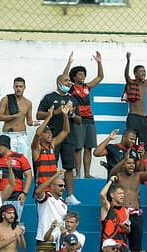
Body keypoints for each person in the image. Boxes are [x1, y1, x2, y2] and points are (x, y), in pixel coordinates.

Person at [36, 73, 81, 205]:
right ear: (58, 82)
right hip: (52, 138)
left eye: (69, 81)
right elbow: (38, 115)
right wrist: (54, 112)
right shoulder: (49, 98)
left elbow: (79, 119)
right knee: (51, 166)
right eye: (66, 81)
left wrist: (71, 113)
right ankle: (49, 193)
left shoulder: (73, 99)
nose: (69, 83)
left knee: (69, 166)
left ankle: (70, 195)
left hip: (68, 137)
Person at [63, 51, 103, 179]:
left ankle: (87, 174)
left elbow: (100, 77)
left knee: (88, 147)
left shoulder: (87, 86)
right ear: (74, 77)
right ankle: (78, 174)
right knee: (78, 148)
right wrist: (69, 63)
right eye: (80, 74)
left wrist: (99, 62)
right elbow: (64, 77)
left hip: (90, 119)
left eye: (83, 74)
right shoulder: (71, 88)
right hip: (78, 119)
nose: (82, 76)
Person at [0, 135, 33, 218]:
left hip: (16, 194)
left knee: (14, 221)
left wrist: (24, 193)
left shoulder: (20, 157)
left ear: (6, 145)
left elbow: (29, 175)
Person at [0, 77, 38, 163]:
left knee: (22, 161)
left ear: (24, 87)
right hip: (9, 134)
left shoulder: (28, 103)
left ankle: (21, 176)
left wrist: (34, 123)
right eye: (16, 86)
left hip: (22, 135)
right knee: (8, 160)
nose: (18, 88)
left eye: (20, 86)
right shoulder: (6, 99)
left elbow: (29, 122)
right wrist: (14, 116)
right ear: (13, 87)